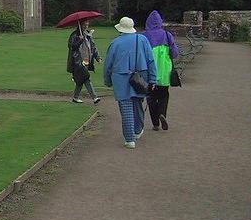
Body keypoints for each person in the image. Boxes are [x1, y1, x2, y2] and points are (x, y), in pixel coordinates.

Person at [103, 17, 157, 149]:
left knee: (126, 107)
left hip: (120, 77)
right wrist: (153, 79)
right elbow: (150, 60)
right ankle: (138, 130)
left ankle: (129, 139)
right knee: (138, 103)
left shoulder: (115, 43)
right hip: (140, 75)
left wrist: (108, 80)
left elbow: (108, 65)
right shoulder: (142, 39)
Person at [143, 10, 180, 131]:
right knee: (164, 95)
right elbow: (175, 53)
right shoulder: (167, 35)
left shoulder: (144, 36)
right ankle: (162, 113)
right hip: (165, 71)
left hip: (149, 71)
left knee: (151, 97)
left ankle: (155, 124)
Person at [67, 19, 101, 104]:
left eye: (87, 24)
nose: (86, 26)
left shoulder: (88, 35)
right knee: (86, 78)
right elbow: (72, 47)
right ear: (80, 25)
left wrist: (98, 57)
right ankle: (95, 97)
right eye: (84, 25)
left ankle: (75, 97)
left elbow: (93, 47)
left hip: (87, 60)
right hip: (77, 62)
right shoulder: (74, 35)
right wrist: (80, 40)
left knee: (80, 80)